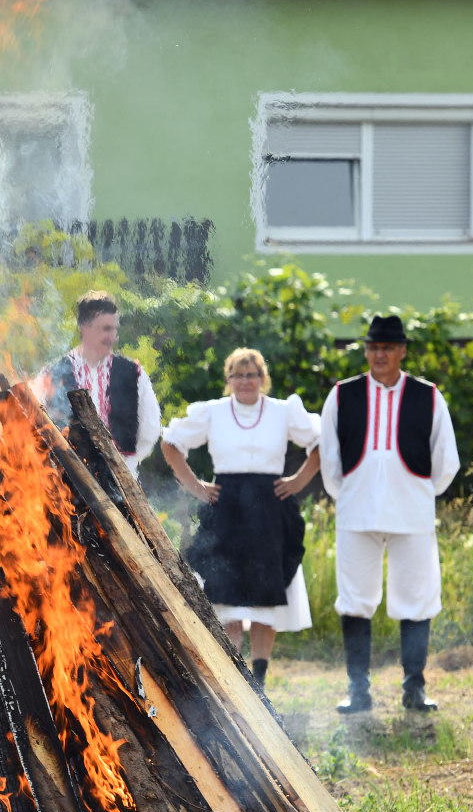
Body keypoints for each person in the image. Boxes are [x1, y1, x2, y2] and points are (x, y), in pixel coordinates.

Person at [319, 315, 459, 714]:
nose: (379, 354)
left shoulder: (428, 395)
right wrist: (351, 495)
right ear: (366, 351)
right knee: (355, 599)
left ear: (401, 351)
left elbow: (446, 461)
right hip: (356, 512)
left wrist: (415, 493)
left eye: (387, 348)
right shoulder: (342, 395)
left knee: (417, 598)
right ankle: (358, 691)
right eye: (373, 348)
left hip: (411, 515)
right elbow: (329, 457)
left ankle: (414, 688)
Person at [161, 349, 321, 690]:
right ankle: (235, 678)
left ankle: (259, 680)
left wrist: (296, 482)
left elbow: (320, 443)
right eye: (238, 375)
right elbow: (171, 444)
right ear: (228, 379)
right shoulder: (214, 412)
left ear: (262, 378)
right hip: (228, 507)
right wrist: (196, 486)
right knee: (229, 596)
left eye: (252, 375)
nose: (245, 381)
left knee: (267, 598)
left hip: (270, 508)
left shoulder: (281, 411)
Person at [42, 290, 161, 475]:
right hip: (70, 479)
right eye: (106, 329)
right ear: (85, 328)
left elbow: (150, 429)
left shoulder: (134, 373)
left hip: (122, 480)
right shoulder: (52, 372)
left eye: (114, 329)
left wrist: (128, 462)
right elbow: (39, 425)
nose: (113, 337)